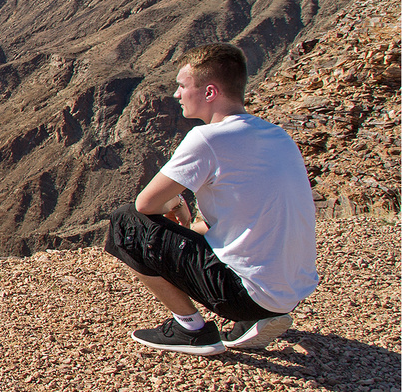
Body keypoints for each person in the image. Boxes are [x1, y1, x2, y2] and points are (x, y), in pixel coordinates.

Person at [104, 42, 317, 356]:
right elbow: (237, 224)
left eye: (182, 86)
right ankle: (257, 316)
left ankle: (190, 329)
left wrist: (175, 204)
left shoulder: (208, 138)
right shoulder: (277, 135)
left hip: (244, 294)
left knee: (125, 223)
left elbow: (144, 206)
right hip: (289, 290)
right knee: (197, 232)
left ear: (209, 92)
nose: (176, 95)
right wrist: (188, 228)